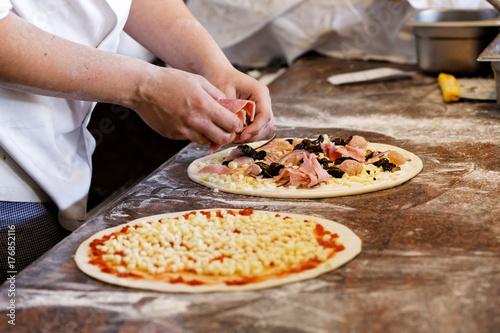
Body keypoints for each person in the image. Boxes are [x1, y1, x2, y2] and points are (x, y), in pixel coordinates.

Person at [0, 0, 274, 283]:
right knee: (18, 314)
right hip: (6, 183)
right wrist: (143, 87)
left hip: (53, 150)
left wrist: (215, 68)